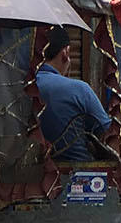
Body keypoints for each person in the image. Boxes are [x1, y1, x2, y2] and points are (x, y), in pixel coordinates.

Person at [36, 26, 112, 164]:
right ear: (66, 52)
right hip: (78, 173)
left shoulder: (22, 88)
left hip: (30, 176)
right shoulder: (79, 89)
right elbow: (106, 132)